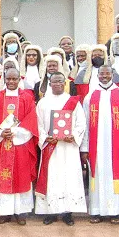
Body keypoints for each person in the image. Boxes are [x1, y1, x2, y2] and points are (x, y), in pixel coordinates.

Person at [81, 65, 119, 223]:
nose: (104, 76)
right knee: (97, 177)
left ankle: (116, 211)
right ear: (97, 75)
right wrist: (84, 148)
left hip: (118, 148)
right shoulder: (91, 96)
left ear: (113, 75)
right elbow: (84, 124)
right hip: (96, 147)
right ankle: (96, 211)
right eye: (101, 74)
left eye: (107, 73)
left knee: (117, 177)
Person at [0, 68, 38, 225]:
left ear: (19, 79)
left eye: (14, 79)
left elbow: (31, 120)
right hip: (1, 144)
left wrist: (15, 132)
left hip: (21, 144)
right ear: (4, 79)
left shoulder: (27, 97)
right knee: (2, 175)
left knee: (20, 176)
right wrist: (1, 133)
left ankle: (21, 212)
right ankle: (4, 212)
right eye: (8, 79)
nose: (11, 82)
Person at [36, 72, 86, 225]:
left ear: (65, 83)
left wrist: (74, 136)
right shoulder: (43, 103)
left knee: (68, 178)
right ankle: (51, 212)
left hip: (68, 147)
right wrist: (45, 137)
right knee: (52, 177)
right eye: (54, 81)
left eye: (60, 81)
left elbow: (81, 123)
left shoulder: (73, 102)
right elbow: (38, 125)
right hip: (50, 146)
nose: (57, 84)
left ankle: (67, 213)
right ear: (49, 84)